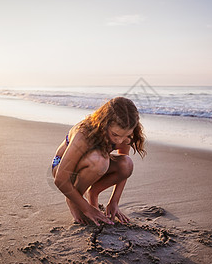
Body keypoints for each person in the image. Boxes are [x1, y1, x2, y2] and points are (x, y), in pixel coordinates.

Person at [52, 97, 146, 226]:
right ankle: (73, 200)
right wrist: (86, 208)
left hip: (93, 164)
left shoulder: (126, 135)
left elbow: (124, 170)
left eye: (126, 135)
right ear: (104, 124)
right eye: (115, 135)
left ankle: (93, 193)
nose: (120, 141)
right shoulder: (84, 134)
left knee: (126, 163)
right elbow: (60, 179)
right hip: (63, 167)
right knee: (99, 161)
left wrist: (114, 201)